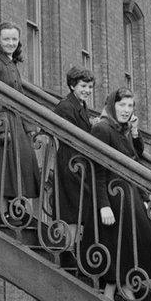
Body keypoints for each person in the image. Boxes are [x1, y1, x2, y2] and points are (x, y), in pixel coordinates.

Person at [90, 87, 151, 301]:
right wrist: (103, 205)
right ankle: (120, 294)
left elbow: (136, 159)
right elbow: (97, 171)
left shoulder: (120, 129)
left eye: (130, 106)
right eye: (122, 105)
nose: (126, 110)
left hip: (130, 196)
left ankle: (122, 292)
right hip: (114, 198)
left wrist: (134, 132)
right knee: (135, 247)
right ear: (112, 105)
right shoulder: (102, 129)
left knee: (131, 247)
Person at [0, 22, 41, 213]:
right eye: (6, 39)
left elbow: (20, 96)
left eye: (14, 39)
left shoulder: (12, 64)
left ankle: (14, 209)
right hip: (1, 120)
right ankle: (2, 210)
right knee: (4, 167)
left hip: (15, 120)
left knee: (21, 162)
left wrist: (29, 126)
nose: (11, 43)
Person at [52, 66, 95, 228]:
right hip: (70, 163)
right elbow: (71, 137)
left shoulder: (81, 105)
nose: (87, 90)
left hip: (79, 163)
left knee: (80, 210)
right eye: (83, 86)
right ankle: (68, 249)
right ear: (72, 86)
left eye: (90, 87)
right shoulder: (66, 106)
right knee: (72, 211)